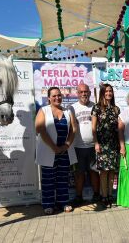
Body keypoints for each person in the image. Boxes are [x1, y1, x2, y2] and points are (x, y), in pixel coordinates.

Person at [35, 87, 77, 215]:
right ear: (49, 98)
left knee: (63, 178)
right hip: (49, 150)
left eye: (59, 95)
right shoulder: (43, 110)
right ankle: (48, 204)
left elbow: (74, 129)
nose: (57, 98)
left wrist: (67, 145)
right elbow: (39, 129)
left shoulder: (68, 111)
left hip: (64, 151)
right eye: (54, 96)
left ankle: (63, 202)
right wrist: (54, 147)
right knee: (48, 179)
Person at [69, 84, 101, 206]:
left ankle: (97, 195)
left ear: (89, 92)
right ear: (77, 93)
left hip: (93, 146)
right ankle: (78, 197)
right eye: (81, 92)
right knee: (79, 173)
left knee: (94, 172)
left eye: (86, 91)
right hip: (77, 147)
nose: (84, 94)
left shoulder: (95, 106)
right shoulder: (72, 108)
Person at [91, 84, 120, 208]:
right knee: (103, 172)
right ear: (102, 92)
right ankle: (103, 196)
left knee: (112, 171)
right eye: (106, 91)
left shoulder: (116, 109)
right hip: (102, 144)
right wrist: (96, 143)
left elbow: (119, 128)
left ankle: (109, 195)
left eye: (110, 91)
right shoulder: (96, 108)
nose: (108, 93)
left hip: (114, 145)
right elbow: (93, 128)